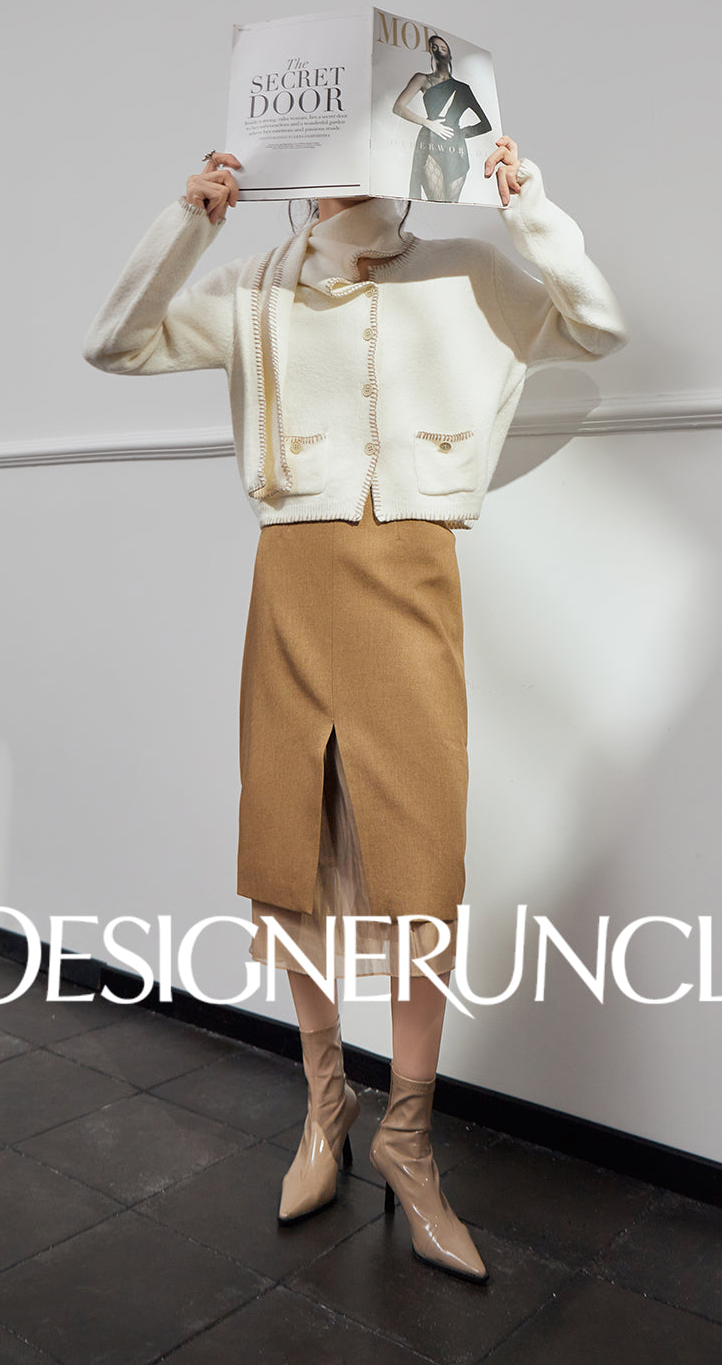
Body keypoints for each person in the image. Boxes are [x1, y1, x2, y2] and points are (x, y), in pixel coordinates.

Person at [82, 134, 628, 1283]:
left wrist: (528, 208)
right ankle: (325, 1109)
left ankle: (408, 1141)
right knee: (295, 848)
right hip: (293, 582)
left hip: (416, 580)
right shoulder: (254, 286)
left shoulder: (469, 270)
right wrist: (192, 221)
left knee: (419, 864)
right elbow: (114, 341)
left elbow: (597, 326)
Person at [392, 35, 493, 201]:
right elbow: (398, 107)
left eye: (443, 48)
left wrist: (460, 133)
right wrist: (428, 123)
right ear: (430, 52)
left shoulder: (463, 88)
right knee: (437, 201)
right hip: (430, 141)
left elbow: (485, 125)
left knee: (452, 204)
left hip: (456, 148)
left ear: (450, 55)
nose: (438, 50)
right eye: (434, 47)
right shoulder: (422, 79)